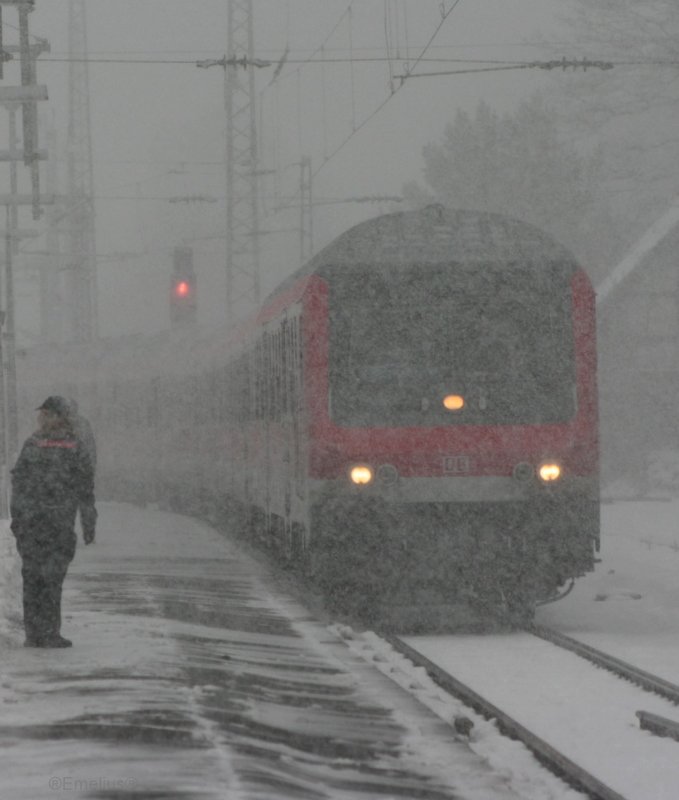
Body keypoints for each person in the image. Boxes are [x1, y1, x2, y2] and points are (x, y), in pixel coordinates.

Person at [10, 395, 97, 648]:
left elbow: (20, 482)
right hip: (55, 522)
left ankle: (37, 633)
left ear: (59, 417)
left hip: (37, 523)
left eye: (47, 414)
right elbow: (85, 486)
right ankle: (46, 632)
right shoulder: (73, 445)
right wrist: (88, 518)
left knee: (37, 578)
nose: (41, 418)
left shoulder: (34, 443)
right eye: (42, 414)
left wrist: (19, 518)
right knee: (49, 578)